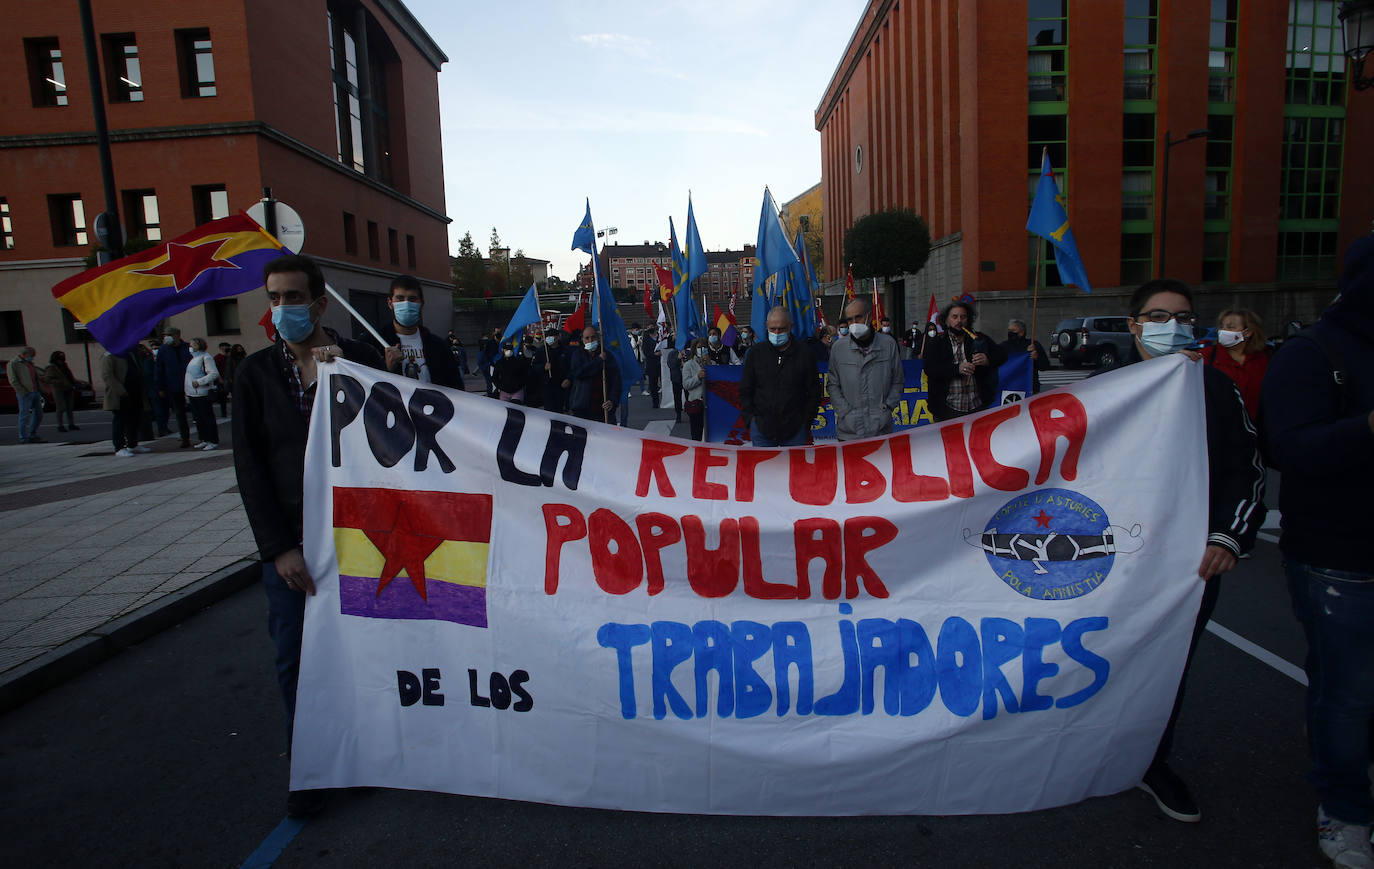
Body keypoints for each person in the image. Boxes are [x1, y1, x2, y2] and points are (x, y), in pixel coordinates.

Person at [1100, 278, 1265, 824]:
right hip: (1110, 562)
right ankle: (1082, 749)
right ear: (1133, 324)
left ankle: (1152, 760)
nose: (1170, 326)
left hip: (1187, 563)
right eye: (1156, 315)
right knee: (1097, 655)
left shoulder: (1216, 389)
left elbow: (1248, 470)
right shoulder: (1103, 388)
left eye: (1182, 316)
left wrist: (1228, 537)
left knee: (1165, 664)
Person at [231, 253, 384, 819]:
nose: (283, 309)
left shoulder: (357, 360)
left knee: (358, 654)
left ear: (320, 303)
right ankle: (310, 771)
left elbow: (396, 440)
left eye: (294, 298)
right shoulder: (254, 375)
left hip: (358, 540)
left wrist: (347, 376)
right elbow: (250, 467)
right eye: (274, 298)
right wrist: (277, 548)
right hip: (295, 545)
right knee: (295, 659)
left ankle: (362, 756)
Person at [1261, 235, 1374, 868]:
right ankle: (1346, 810)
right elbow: (1288, 450)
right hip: (1342, 556)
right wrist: (1366, 428)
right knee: (1348, 691)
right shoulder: (1313, 354)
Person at [740, 307, 822, 447]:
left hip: (795, 431)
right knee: (764, 469)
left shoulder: (805, 354)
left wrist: (805, 422)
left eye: (782, 329)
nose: (777, 333)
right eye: (772, 329)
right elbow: (746, 389)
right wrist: (751, 420)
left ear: (791, 327)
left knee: (794, 469)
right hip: (761, 430)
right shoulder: (755, 353)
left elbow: (814, 391)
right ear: (766, 326)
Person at [826, 298, 904, 441]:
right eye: (850, 319)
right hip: (849, 431)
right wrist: (845, 412)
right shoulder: (838, 348)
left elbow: (898, 381)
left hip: (881, 430)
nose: (854, 323)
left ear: (869, 316)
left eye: (858, 317)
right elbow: (833, 385)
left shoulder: (888, 344)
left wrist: (886, 408)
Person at [924, 301, 1007, 420]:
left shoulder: (979, 338)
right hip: (947, 409)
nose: (959, 321)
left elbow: (1002, 355)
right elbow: (930, 369)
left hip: (977, 406)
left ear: (968, 320)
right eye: (954, 317)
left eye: (963, 317)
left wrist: (988, 360)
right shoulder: (937, 343)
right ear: (947, 320)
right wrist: (957, 369)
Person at [380, 275, 464, 390]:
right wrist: (387, 369)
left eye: (412, 299)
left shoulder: (438, 347)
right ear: (390, 303)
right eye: (400, 298)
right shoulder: (374, 344)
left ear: (421, 303)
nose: (406, 304)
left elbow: (456, 388)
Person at [1206, 308, 1270, 421]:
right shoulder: (1207, 355)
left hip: (1259, 428)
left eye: (1230, 327)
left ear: (1248, 332)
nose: (1223, 331)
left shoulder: (1266, 358)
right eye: (1222, 327)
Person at [566, 325, 620, 423]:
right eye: (587, 338)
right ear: (582, 339)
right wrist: (598, 361)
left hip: (603, 408)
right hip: (582, 408)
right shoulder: (577, 355)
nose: (590, 340)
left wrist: (612, 400)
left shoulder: (607, 355)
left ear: (598, 338)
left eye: (593, 337)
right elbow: (579, 373)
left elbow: (616, 380)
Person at [101, 348, 150, 457]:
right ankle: (119, 447)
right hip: (120, 394)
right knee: (120, 421)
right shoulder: (109, 355)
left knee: (134, 419)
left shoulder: (129, 353)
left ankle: (132, 444)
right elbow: (107, 375)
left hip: (134, 392)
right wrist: (121, 391)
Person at [154, 327, 193, 448]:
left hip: (191, 385)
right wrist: (160, 387)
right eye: (165, 335)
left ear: (177, 335)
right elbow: (159, 369)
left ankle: (205, 437)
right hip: (173, 386)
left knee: (198, 412)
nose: (166, 337)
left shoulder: (188, 347)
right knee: (179, 413)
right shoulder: (163, 350)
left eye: (169, 335)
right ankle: (185, 438)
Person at [183, 338, 222, 450]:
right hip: (192, 394)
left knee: (207, 417)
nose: (190, 347)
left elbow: (214, 373)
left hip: (202, 393)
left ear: (198, 346)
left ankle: (213, 440)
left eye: (192, 345)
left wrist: (199, 382)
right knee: (198, 418)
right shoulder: (193, 359)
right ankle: (204, 439)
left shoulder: (206, 357)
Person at [999, 318, 1050, 394]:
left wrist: (1036, 357)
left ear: (1022, 332)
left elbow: (1045, 366)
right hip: (1009, 387)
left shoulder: (1033, 345)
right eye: (1009, 330)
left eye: (1013, 331)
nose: (1010, 333)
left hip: (1030, 387)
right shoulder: (1003, 346)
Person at [8, 346, 45, 443]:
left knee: (39, 414)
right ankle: (23, 437)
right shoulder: (14, 363)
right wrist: (23, 392)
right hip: (25, 393)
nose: (32, 357)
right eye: (31, 355)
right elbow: (13, 380)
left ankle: (32, 434)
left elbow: (35, 377)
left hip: (35, 391)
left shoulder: (29, 363)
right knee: (24, 415)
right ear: (24, 354)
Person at [680, 338, 709, 441]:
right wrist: (698, 377)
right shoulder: (688, 365)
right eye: (699, 347)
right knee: (696, 434)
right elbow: (686, 384)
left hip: (711, 404)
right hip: (696, 403)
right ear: (694, 349)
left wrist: (710, 364)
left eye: (704, 347)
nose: (702, 349)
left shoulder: (711, 362)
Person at [44, 350, 79, 433]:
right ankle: (60, 425)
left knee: (69, 407)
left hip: (68, 388)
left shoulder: (64, 365)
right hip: (58, 389)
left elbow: (69, 375)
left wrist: (74, 382)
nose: (62, 357)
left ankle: (71, 424)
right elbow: (48, 379)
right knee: (61, 407)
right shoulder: (51, 367)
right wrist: (59, 382)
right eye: (60, 356)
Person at [641, 324, 662, 409]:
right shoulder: (646, 339)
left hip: (661, 363)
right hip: (652, 364)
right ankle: (655, 402)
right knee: (653, 384)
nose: (650, 328)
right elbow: (645, 352)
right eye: (648, 327)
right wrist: (654, 354)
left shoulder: (660, 337)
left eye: (652, 327)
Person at [666, 340, 684, 423]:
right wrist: (678, 358)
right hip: (676, 379)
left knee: (689, 397)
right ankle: (678, 414)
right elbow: (670, 365)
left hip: (687, 378)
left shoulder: (688, 352)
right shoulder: (672, 353)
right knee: (677, 398)